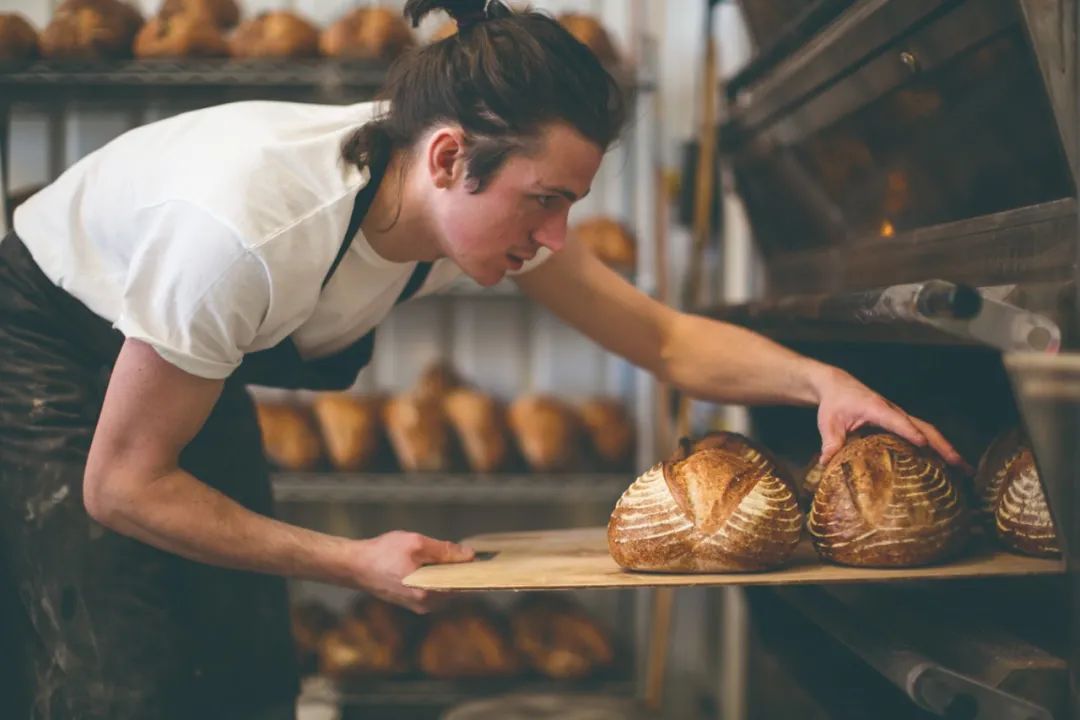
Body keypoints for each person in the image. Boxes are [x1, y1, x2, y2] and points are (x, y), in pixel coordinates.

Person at [0, 0, 967, 717]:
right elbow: (124, 485)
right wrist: (352, 559)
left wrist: (822, 383)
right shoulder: (250, 237)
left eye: (570, 204)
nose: (556, 237)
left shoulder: (465, 207)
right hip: (43, 328)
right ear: (449, 157)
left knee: (248, 664)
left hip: (168, 340)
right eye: (544, 200)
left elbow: (662, 338)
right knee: (114, 670)